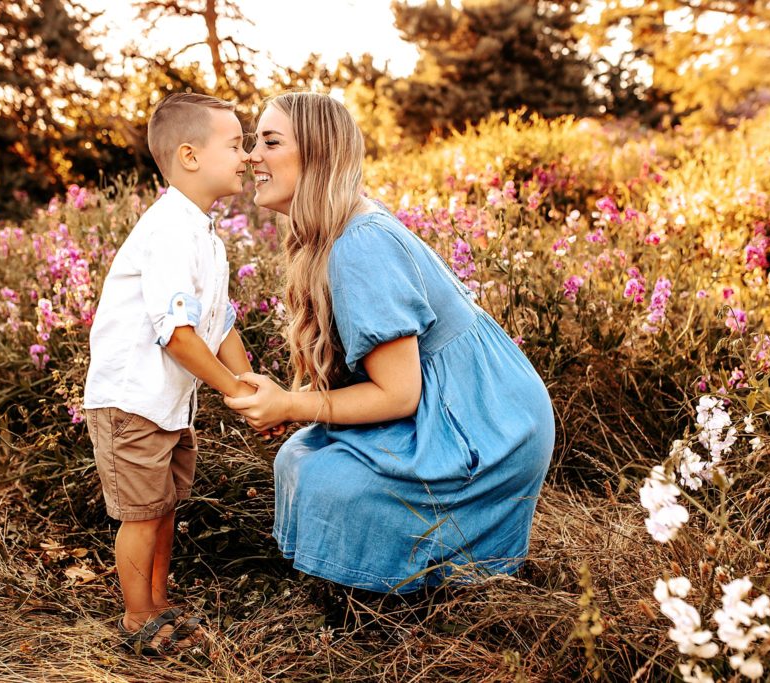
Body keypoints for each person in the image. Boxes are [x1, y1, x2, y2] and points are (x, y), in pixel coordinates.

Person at [225, 92, 555, 593]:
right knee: (299, 456)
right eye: (253, 142)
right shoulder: (334, 232)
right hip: (459, 405)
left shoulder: (360, 244)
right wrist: (293, 408)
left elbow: (400, 394)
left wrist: (293, 403)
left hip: (484, 423)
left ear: (317, 155)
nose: (252, 156)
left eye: (269, 142)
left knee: (329, 480)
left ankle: (414, 597)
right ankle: (382, 585)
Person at [83, 92, 257, 654]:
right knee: (140, 514)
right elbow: (175, 333)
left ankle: (157, 603)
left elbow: (218, 321)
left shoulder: (204, 234)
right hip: (133, 400)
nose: (248, 155)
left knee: (163, 507)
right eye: (234, 144)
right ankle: (138, 619)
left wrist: (249, 384)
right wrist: (231, 389)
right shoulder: (167, 231)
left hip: (167, 404)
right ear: (189, 155)